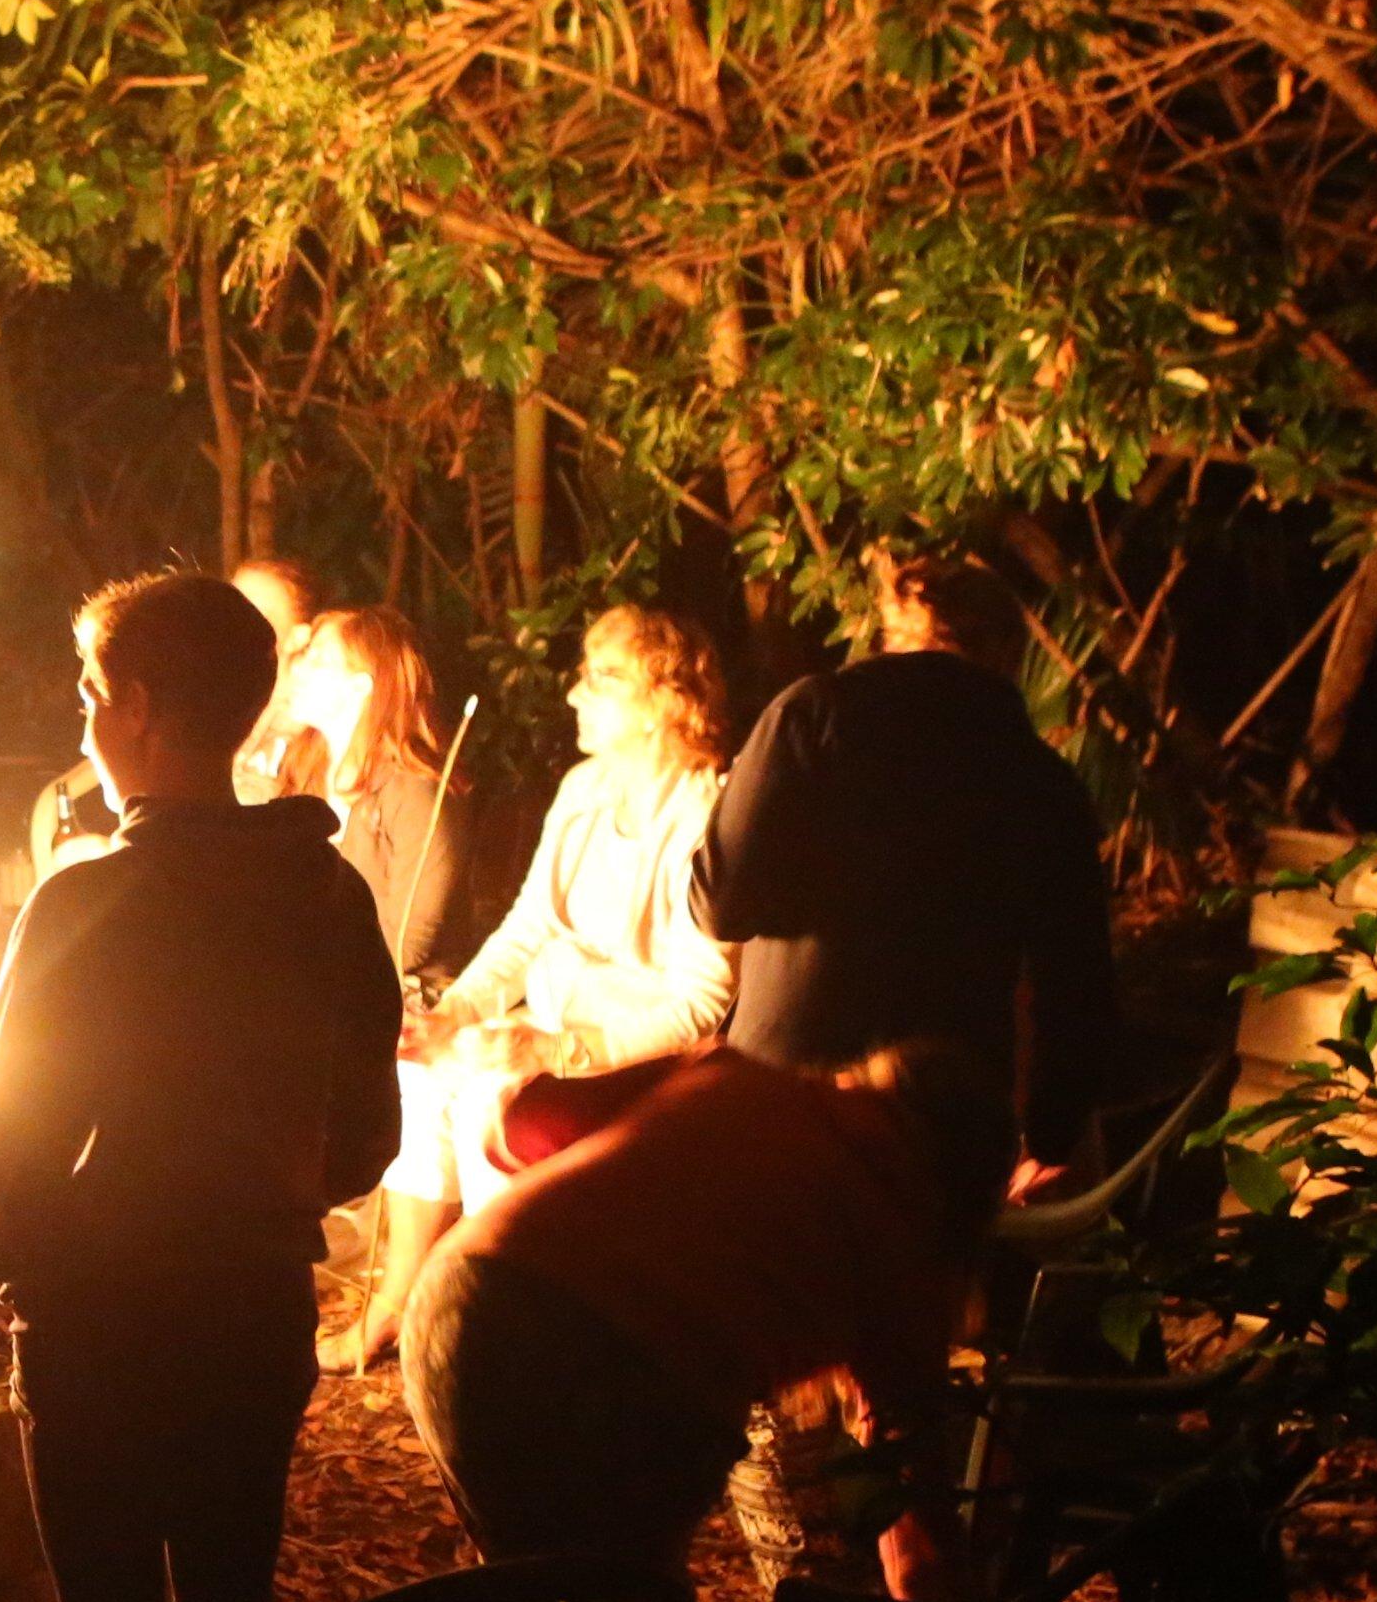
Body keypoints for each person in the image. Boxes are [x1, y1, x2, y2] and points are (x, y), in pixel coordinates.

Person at [0, 574, 401, 1602]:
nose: (86, 724)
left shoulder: (88, 896)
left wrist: (12, 1261)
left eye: (94, 696)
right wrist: (267, 1197)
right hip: (250, 1311)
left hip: (98, 1325)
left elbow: (7, 1136)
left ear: (144, 712)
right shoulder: (325, 892)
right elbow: (369, 1136)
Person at [397, 1039, 1014, 1602]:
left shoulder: (737, 1078)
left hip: (464, 1304)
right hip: (632, 1373)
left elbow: (517, 1124)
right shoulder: (903, 1236)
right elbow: (904, 1485)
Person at [330, 602, 738, 1369]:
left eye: (596, 681)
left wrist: (555, 1050)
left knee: (488, 1098)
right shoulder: (586, 789)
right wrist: (456, 1013)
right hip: (552, 1027)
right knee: (423, 1073)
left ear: (656, 703)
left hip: (647, 1054)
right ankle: (405, 1303)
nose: (574, 696)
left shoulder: (706, 818)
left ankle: (506, 1322)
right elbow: (527, 929)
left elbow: (700, 1004)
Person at [702, 550, 1121, 1172]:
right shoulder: (1044, 782)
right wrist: (1050, 1140)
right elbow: (1076, 987)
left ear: (895, 634)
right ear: (1006, 657)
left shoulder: (810, 715)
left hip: (780, 1093)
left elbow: (719, 906)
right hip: (936, 1122)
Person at [276, 605, 475, 978]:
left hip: (404, 990)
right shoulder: (305, 772)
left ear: (361, 686)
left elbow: (408, 942)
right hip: (319, 978)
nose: (298, 670)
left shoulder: (415, 791)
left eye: (318, 661)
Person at [228, 556, 325, 801]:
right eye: (231, 607)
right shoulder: (218, 704)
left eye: (257, 613)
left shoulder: (319, 723)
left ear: (299, 637)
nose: (238, 622)